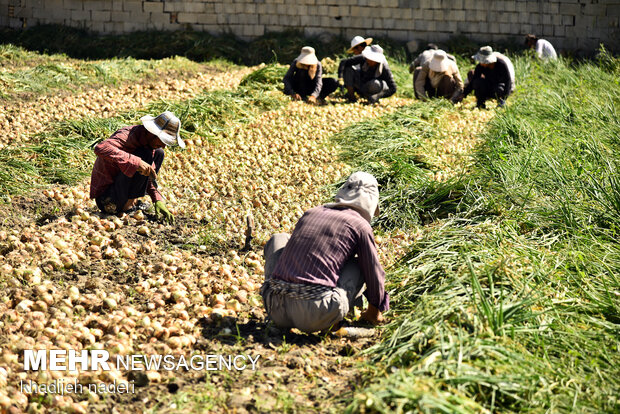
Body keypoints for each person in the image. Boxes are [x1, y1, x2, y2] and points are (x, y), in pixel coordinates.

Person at [260, 172, 389, 334]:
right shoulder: (360, 225)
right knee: (360, 264)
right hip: (315, 313)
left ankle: (276, 309)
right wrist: (376, 308)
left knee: (279, 238)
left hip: (276, 307)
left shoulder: (311, 212)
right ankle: (336, 322)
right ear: (370, 203)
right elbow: (374, 272)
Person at [89, 111, 183, 224]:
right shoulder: (127, 136)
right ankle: (127, 207)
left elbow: (147, 175)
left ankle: (131, 203)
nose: (164, 145)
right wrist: (136, 162)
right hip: (107, 200)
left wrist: (157, 199)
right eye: (163, 140)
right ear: (152, 133)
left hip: (121, 194)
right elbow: (100, 147)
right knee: (144, 155)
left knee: (159, 153)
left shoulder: (151, 146)